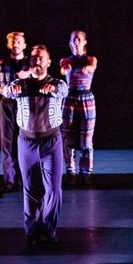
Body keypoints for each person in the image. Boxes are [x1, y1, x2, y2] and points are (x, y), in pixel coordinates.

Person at [3, 45, 68, 249]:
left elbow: (64, 90)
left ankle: (49, 229)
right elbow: (6, 90)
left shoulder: (57, 83)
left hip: (51, 141)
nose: (37, 61)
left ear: (48, 62)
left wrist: (53, 90)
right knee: (30, 189)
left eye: (41, 58)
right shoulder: (20, 84)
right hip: (26, 142)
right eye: (34, 58)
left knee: (53, 190)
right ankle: (32, 231)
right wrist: (10, 89)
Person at [0, 31, 30, 198]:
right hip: (7, 103)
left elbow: (34, 73)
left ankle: (25, 179)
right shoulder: (1, 62)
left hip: (24, 104)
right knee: (7, 142)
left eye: (19, 41)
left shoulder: (29, 62)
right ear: (8, 45)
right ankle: (10, 181)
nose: (15, 44)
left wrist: (28, 72)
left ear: (24, 45)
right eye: (13, 41)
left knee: (25, 142)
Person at [59, 30, 97, 187]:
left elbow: (92, 67)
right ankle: (71, 173)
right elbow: (63, 69)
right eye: (73, 39)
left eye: (79, 39)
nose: (76, 42)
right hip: (70, 99)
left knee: (86, 138)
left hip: (86, 99)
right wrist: (65, 68)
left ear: (84, 42)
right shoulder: (65, 60)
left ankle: (85, 173)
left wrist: (88, 68)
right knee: (68, 137)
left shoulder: (91, 59)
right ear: (70, 43)